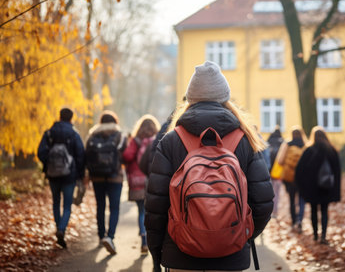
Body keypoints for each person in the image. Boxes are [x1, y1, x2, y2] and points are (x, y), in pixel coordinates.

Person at [145, 60, 274, 272]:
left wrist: (157, 251)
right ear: (224, 97)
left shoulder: (171, 141)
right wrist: (241, 236)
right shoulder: (245, 140)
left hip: (180, 254)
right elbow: (263, 203)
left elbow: (155, 205)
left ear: (191, 98)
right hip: (231, 256)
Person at [37, 108, 85, 248]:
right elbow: (80, 155)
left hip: (53, 175)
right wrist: (80, 174)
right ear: (71, 118)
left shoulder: (49, 133)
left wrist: (48, 165)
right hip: (69, 175)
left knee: (56, 203)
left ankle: (58, 227)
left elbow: (40, 152)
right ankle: (62, 229)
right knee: (67, 205)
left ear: (59, 117)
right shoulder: (74, 134)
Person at [85, 110, 126, 255]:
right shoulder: (120, 135)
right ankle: (110, 237)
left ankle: (101, 236)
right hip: (115, 177)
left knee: (100, 206)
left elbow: (87, 155)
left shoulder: (92, 135)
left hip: (97, 177)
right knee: (114, 208)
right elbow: (125, 155)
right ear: (115, 121)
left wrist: (86, 174)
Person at [295, 126, 341, 244]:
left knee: (314, 210)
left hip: (312, 189)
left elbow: (299, 170)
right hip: (327, 187)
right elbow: (337, 172)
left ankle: (315, 235)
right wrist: (336, 190)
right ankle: (323, 236)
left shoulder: (309, 151)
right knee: (325, 211)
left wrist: (302, 187)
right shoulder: (332, 151)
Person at [122, 114, 160, 254]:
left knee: (141, 212)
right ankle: (152, 241)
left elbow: (127, 156)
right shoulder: (157, 139)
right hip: (152, 180)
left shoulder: (136, 140)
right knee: (152, 213)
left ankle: (144, 241)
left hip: (137, 181)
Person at [277, 126, 307, 233]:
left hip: (289, 177)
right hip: (303, 177)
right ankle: (300, 220)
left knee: (291, 200)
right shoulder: (306, 145)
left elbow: (280, 161)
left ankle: (294, 221)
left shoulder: (287, 144)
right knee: (302, 200)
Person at [267, 126, 284, 219]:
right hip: (278, 172)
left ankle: (269, 210)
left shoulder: (268, 141)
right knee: (277, 192)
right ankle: (275, 211)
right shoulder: (282, 142)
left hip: (268, 171)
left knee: (269, 192)